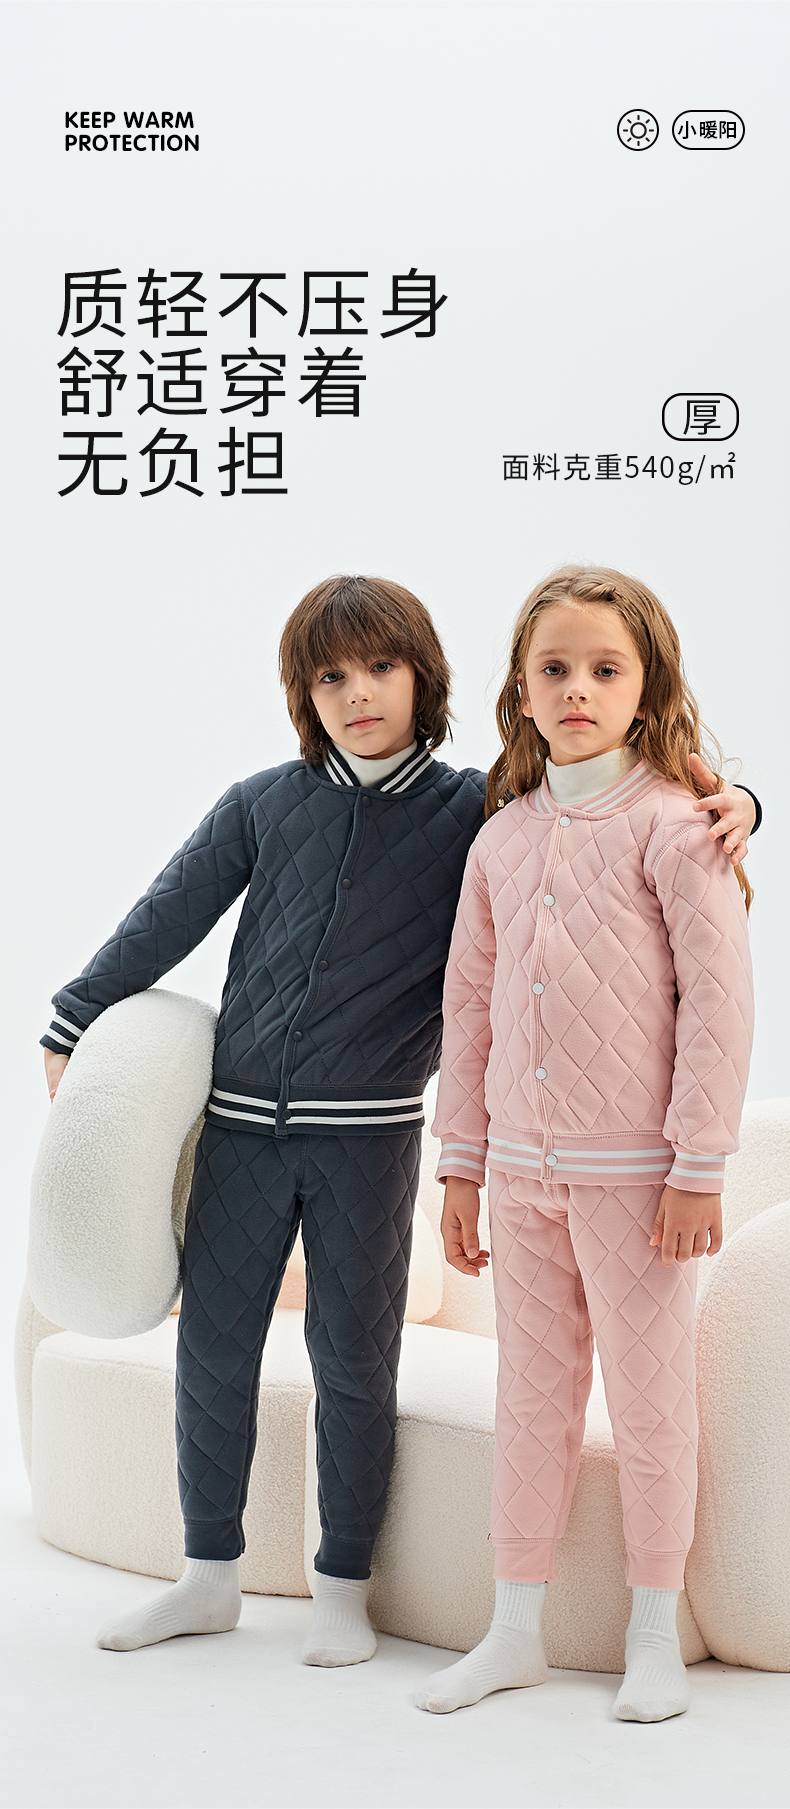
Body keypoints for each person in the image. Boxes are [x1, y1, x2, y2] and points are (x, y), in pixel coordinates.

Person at [41, 573, 757, 1668]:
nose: (358, 693)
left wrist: (739, 798)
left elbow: (608, 792)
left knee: (351, 1360)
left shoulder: (477, 811)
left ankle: (343, 1584)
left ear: (427, 679)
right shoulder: (260, 804)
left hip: (373, 1139)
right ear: (304, 695)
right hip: (241, 1128)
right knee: (214, 1347)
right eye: (330, 676)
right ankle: (207, 1575)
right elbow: (166, 914)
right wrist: (75, 1015)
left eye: (381, 666)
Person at [416, 565, 755, 1723]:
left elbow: (719, 1007)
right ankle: (513, 1631)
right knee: (531, 1400)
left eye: (605, 670)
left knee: (649, 1401)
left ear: (644, 687)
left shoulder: (679, 828)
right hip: (518, 1178)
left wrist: (697, 1166)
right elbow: (468, 1009)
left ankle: (652, 1636)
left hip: (640, 1184)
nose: (576, 689)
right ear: (520, 690)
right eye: (553, 669)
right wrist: (460, 1165)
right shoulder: (499, 841)